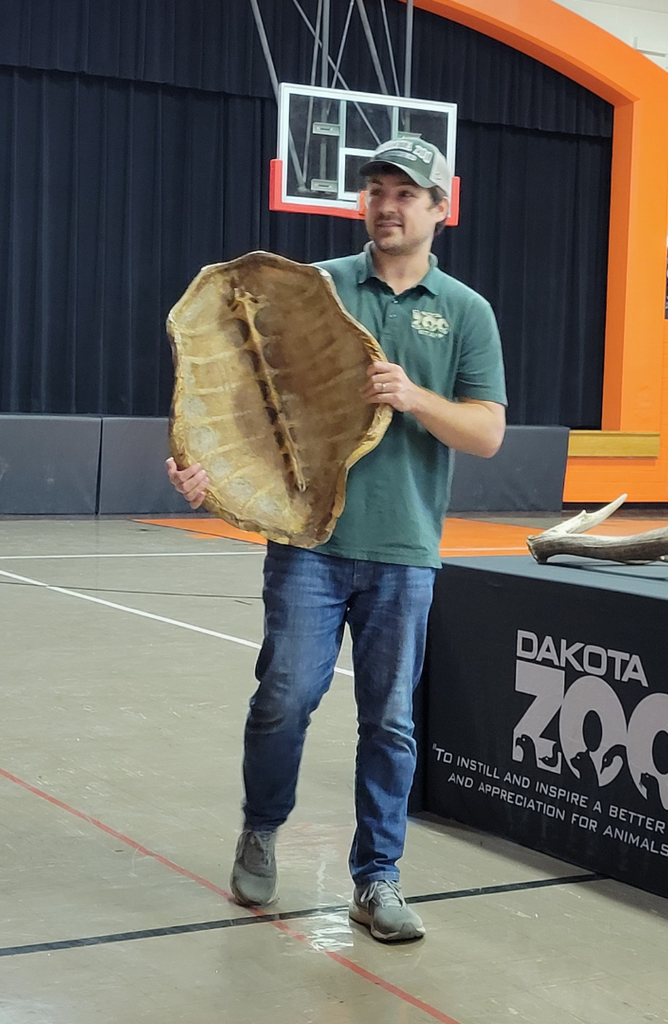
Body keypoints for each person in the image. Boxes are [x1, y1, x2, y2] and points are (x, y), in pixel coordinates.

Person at [167, 138, 507, 942]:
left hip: (405, 553)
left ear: (439, 208)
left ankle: (377, 879)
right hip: (309, 544)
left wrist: (415, 396)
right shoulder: (312, 287)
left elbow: (488, 433)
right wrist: (201, 465)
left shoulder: (465, 311)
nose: (387, 204)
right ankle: (260, 828)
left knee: (389, 721)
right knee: (283, 701)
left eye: (405, 192)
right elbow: (240, 384)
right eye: (376, 189)